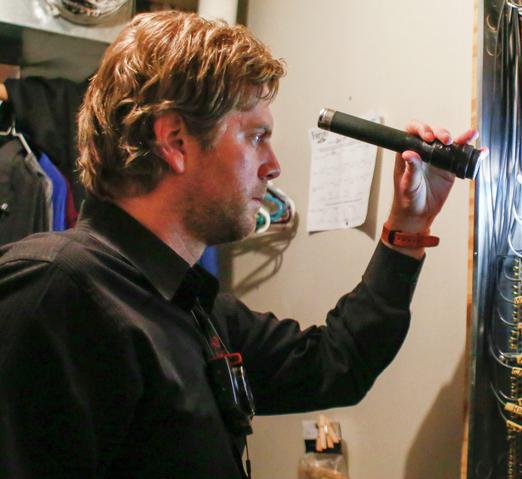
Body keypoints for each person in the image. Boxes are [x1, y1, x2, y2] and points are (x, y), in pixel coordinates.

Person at [0, 10, 477, 479]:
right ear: (175, 141)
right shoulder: (53, 292)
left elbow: (337, 363)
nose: (272, 165)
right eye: (256, 136)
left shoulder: (191, 309)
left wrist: (409, 223)